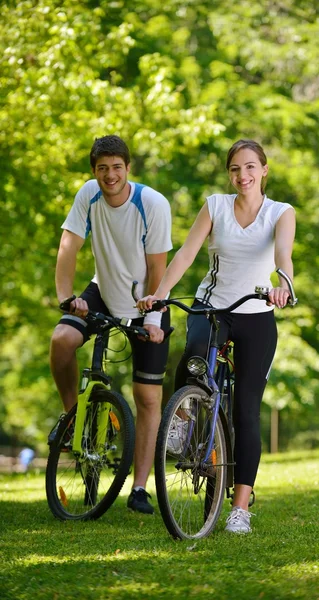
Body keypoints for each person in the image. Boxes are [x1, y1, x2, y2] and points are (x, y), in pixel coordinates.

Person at [137, 139, 296, 533]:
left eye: (249, 168)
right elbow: (187, 254)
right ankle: (184, 417)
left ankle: (240, 507)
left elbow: (283, 257)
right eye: (234, 169)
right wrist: (160, 295)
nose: (242, 176)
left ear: (263, 170)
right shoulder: (215, 206)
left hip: (256, 312)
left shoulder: (281, 213)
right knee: (193, 357)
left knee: (246, 410)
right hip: (213, 306)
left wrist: (284, 284)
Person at [49, 135, 172, 515]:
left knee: (147, 397)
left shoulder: (151, 203)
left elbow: (157, 269)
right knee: (62, 339)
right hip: (103, 290)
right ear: (94, 171)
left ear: (128, 168)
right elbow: (69, 245)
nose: (110, 175)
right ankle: (73, 420)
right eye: (102, 168)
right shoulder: (88, 195)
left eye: (117, 167)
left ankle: (138, 488)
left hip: (147, 300)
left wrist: (152, 318)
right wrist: (67, 297)